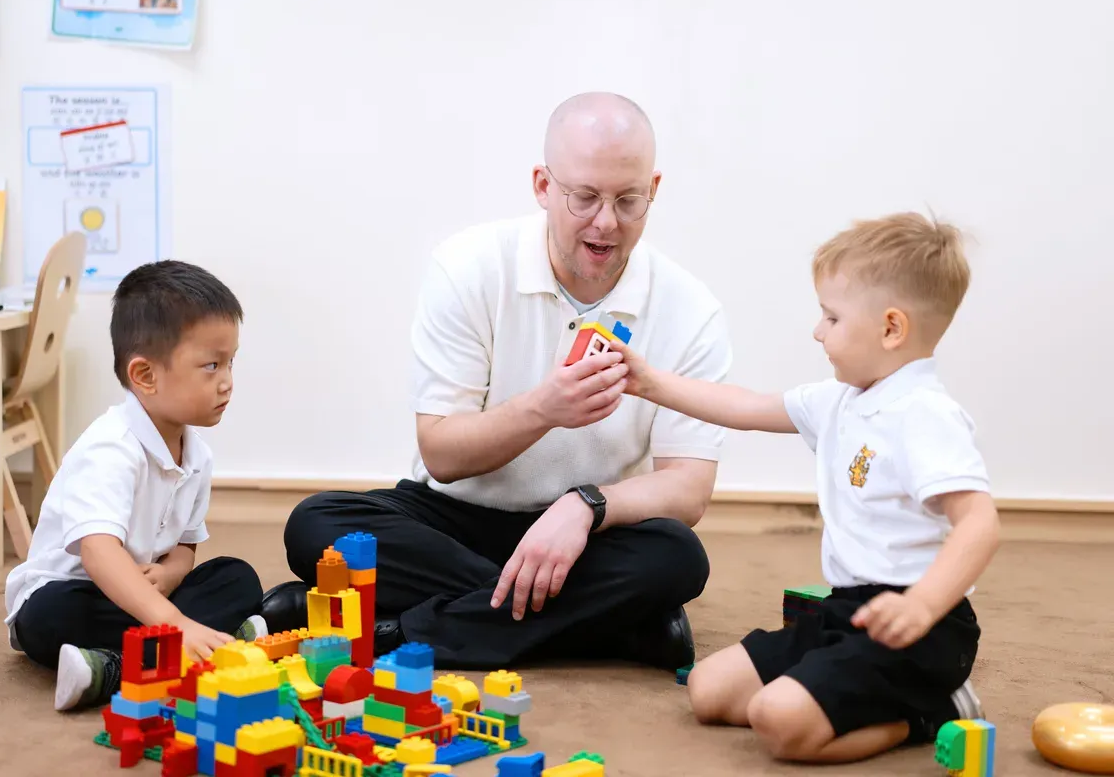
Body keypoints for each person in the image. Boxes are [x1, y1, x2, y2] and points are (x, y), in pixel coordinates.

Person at [263, 92, 733, 670]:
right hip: (458, 520)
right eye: (583, 197)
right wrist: (543, 408)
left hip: (590, 534)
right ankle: (615, 627)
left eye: (628, 200)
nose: (606, 222)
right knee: (318, 523)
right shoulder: (468, 267)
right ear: (543, 185)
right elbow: (441, 453)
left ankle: (396, 633)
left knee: (677, 556)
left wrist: (585, 505)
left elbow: (688, 489)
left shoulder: (691, 309)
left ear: (653, 189)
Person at [609, 211, 999, 763]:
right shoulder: (839, 399)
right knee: (708, 691)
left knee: (778, 720)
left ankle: (936, 710)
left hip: (922, 631)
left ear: (891, 328)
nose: (818, 331)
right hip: (848, 612)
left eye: (831, 317)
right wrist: (649, 382)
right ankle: (851, 691)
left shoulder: (924, 415)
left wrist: (923, 604)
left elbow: (980, 523)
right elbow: (744, 407)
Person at [3, 260, 268, 711]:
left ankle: (112, 667)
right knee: (49, 616)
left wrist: (171, 574)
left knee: (237, 578)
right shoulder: (110, 448)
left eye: (230, 362)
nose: (227, 382)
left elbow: (186, 545)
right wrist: (170, 621)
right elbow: (98, 551)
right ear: (145, 375)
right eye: (211, 366)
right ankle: (182, 650)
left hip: (145, 597)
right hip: (78, 592)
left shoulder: (197, 455)